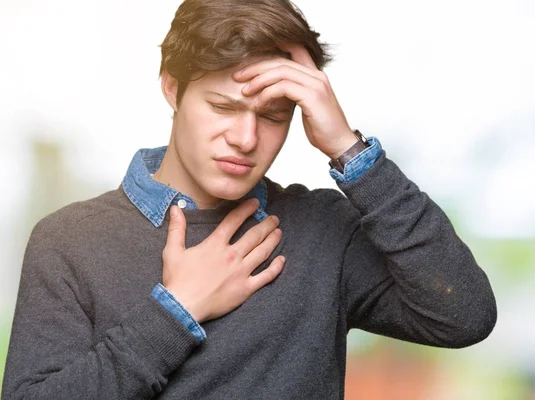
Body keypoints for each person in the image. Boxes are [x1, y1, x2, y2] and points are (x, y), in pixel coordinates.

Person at [2, 0, 497, 398]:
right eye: (222, 106)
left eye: (274, 116)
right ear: (173, 89)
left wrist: (349, 148)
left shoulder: (323, 230)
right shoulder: (70, 241)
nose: (244, 137)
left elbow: (464, 316)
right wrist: (176, 310)